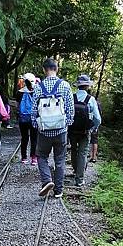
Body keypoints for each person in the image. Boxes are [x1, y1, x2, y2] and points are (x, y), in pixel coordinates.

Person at [31, 58, 75, 198]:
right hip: (60, 130)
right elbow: (70, 109)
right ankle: (58, 191)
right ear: (57, 69)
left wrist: (36, 124)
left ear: (45, 70)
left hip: (44, 130)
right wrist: (66, 124)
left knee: (41, 156)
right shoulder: (65, 85)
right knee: (60, 159)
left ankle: (47, 181)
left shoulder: (39, 87)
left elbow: (34, 110)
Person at [69, 74, 102, 186]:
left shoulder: (72, 97)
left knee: (74, 150)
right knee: (83, 153)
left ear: (78, 86)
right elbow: (97, 118)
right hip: (85, 131)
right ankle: (79, 179)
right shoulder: (91, 99)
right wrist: (93, 128)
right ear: (87, 86)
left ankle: (75, 170)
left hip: (72, 130)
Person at [16, 72, 38, 165]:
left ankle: (24, 157)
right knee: (34, 138)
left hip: (23, 119)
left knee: (24, 138)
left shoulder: (20, 92)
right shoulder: (36, 91)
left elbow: (17, 106)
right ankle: (34, 158)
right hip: (34, 118)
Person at [89, 97, 102, 162]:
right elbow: (99, 116)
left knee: (90, 141)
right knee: (95, 141)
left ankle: (90, 155)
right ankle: (94, 157)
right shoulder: (99, 105)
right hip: (95, 124)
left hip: (89, 123)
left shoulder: (91, 102)